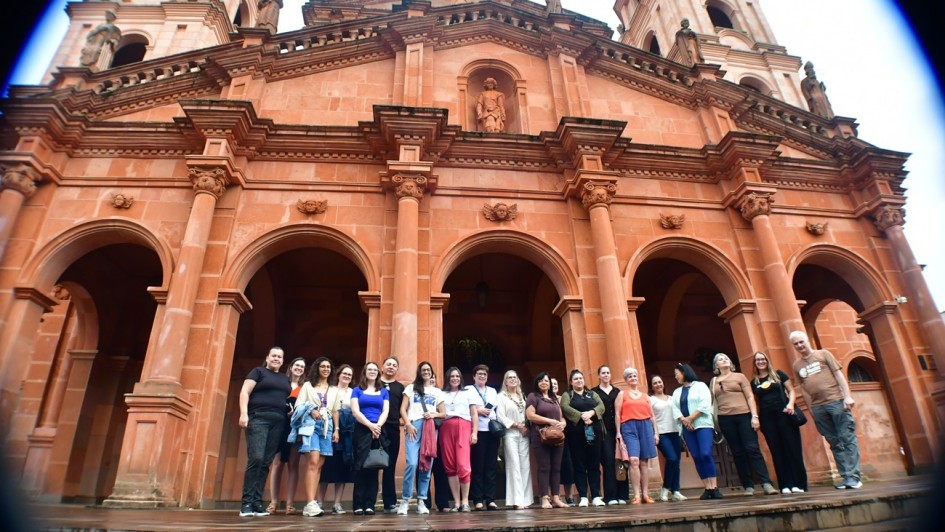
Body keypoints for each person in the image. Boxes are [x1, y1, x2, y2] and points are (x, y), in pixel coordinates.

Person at [789, 330, 862, 489]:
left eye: (802, 341)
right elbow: (804, 389)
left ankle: (854, 477)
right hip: (818, 408)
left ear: (807, 340)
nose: (800, 345)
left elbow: (839, 375)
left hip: (836, 401)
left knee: (847, 438)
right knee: (834, 442)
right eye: (796, 344)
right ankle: (845, 476)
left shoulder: (823, 354)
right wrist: (812, 411)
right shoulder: (797, 365)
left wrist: (847, 396)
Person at [710, 353, 778, 496]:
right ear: (716, 365)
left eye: (726, 358)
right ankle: (748, 485)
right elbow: (713, 401)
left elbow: (749, 396)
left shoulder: (740, 377)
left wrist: (754, 416)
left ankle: (766, 483)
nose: (724, 360)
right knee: (737, 452)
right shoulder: (714, 381)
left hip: (744, 416)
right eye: (721, 359)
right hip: (725, 418)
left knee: (752, 448)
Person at [238, 346, 291, 517]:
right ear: (267, 358)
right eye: (273, 356)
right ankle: (246, 503)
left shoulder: (285, 379)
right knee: (256, 458)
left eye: (280, 357)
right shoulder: (258, 372)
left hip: (279, 421)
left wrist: (287, 408)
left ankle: (256, 503)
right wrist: (244, 414)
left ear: (283, 361)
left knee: (266, 461)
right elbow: (245, 392)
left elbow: (283, 398)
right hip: (258, 417)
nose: (276, 359)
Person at [751, 351, 808, 494]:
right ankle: (785, 484)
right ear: (755, 363)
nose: (760, 362)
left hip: (784, 415)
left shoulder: (778, 374)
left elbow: (792, 390)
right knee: (777, 452)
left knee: (792, 448)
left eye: (763, 359)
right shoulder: (754, 382)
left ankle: (799, 484)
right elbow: (756, 402)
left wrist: (790, 404)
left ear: (767, 360)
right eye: (758, 360)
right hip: (767, 419)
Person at [396, 361, 445, 515]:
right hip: (414, 427)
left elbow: (443, 413)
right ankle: (405, 500)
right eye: (423, 370)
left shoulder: (437, 391)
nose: (426, 372)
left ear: (431, 372)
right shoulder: (411, 388)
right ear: (419, 372)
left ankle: (422, 500)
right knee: (412, 463)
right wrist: (408, 424)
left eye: (428, 370)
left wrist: (433, 414)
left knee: (427, 465)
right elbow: (402, 409)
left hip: (430, 428)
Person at [293, 357, 339, 517]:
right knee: (312, 460)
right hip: (310, 424)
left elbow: (335, 410)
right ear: (317, 368)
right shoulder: (307, 385)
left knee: (319, 464)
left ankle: (310, 504)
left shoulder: (334, 388)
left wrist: (337, 430)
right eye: (322, 366)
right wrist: (311, 409)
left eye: (328, 367)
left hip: (327, 426)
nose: (326, 369)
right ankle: (310, 502)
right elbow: (298, 405)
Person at [671, 363, 721, 500]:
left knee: (705, 453)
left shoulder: (700, 386)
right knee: (697, 457)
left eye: (677, 374)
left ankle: (714, 486)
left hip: (702, 424)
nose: (676, 376)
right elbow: (674, 408)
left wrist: (691, 418)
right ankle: (707, 487)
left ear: (684, 372)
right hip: (687, 428)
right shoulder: (677, 392)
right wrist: (684, 420)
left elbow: (705, 403)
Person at [560, 369, 605, 507]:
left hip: (593, 432)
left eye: (580, 378)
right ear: (571, 382)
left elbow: (601, 407)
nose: (579, 381)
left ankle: (596, 495)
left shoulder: (592, 394)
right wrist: (581, 415)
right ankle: (583, 496)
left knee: (594, 463)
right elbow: (565, 407)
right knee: (579, 464)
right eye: (576, 379)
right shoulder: (568, 395)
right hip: (576, 434)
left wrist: (591, 413)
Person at [267, 357, 306, 514]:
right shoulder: (281, 382)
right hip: (279, 426)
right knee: (276, 464)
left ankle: (290, 503)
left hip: (295, 428)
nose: (299, 368)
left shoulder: (304, 388)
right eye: (296, 365)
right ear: (290, 366)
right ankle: (273, 502)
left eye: (302, 366)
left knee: (293, 464)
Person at [350, 362, 390, 515]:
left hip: (378, 429)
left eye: (375, 370)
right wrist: (370, 426)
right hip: (362, 429)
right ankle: (358, 504)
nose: (372, 372)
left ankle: (370, 504)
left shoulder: (383, 391)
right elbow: (355, 411)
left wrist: (377, 426)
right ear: (365, 372)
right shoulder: (357, 390)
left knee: (374, 467)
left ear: (378, 373)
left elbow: (385, 410)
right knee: (360, 466)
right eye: (369, 369)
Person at [615, 368, 659, 504]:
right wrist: (618, 432)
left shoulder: (645, 396)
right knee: (633, 460)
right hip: (628, 427)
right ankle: (636, 495)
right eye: (630, 376)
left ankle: (646, 494)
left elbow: (652, 416)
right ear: (626, 380)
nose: (633, 378)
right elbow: (617, 414)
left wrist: (656, 432)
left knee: (644, 462)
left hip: (645, 426)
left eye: (634, 375)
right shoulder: (622, 394)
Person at [526, 372, 568, 509]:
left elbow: (561, 417)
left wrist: (563, 423)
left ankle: (556, 497)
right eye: (540, 381)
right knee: (544, 467)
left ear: (550, 383)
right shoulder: (533, 397)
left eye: (546, 380)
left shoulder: (554, 398)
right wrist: (549, 421)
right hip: (540, 436)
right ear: (537, 383)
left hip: (556, 435)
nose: (544, 383)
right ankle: (544, 497)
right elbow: (530, 416)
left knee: (556, 467)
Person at [318, 364, 356, 514]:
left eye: (350, 375)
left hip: (347, 433)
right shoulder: (330, 389)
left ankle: (337, 503)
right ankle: (319, 502)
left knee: (342, 467)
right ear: (338, 375)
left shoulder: (353, 392)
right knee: (326, 466)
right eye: (344, 374)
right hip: (330, 429)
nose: (347, 376)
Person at [440, 366, 477, 511]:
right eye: (452, 376)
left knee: (463, 464)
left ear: (460, 378)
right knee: (450, 465)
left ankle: (465, 501)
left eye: (457, 376)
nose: (454, 378)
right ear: (448, 378)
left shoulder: (467, 393)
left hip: (464, 426)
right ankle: (456, 502)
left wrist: (474, 433)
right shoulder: (441, 394)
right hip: (446, 427)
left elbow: (474, 413)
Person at [496, 369, 533, 510]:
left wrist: (525, 427)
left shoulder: (522, 396)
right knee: (514, 466)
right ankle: (517, 500)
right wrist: (517, 425)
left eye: (514, 377)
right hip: (510, 433)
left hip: (523, 434)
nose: (512, 379)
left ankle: (526, 499)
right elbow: (501, 416)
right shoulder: (501, 397)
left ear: (518, 380)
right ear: (505, 381)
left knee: (525, 466)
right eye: (509, 377)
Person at [465, 364, 501, 510]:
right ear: (474, 376)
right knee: (478, 466)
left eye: (485, 374)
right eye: (479, 374)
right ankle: (478, 499)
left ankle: (490, 499)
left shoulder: (492, 391)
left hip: (492, 431)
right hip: (477, 430)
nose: (482, 376)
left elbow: (496, 409)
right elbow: (464, 409)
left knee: (491, 466)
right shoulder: (468, 389)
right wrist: (478, 411)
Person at [649, 374, 686, 502]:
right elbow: (650, 418)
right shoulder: (651, 400)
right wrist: (655, 434)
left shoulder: (671, 398)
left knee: (677, 462)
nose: (658, 384)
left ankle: (676, 490)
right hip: (662, 433)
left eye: (660, 382)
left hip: (675, 432)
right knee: (671, 458)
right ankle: (665, 489)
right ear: (652, 386)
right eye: (655, 383)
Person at [593, 365, 626, 505]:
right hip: (603, 431)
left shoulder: (617, 391)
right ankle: (610, 496)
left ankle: (622, 495)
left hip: (619, 430)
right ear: (599, 376)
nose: (606, 375)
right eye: (603, 373)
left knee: (621, 461)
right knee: (608, 461)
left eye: (608, 372)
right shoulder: (594, 392)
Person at [379, 356, 405, 513]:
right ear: (382, 367)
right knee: (371, 463)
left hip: (394, 428)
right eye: (388, 364)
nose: (391, 367)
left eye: (394, 365)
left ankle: (389, 502)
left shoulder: (400, 387)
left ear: (397, 369)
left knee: (390, 465)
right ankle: (367, 500)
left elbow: (404, 408)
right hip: (375, 428)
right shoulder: (375, 384)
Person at [551, 377, 576, 505]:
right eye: (552, 383)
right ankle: (555, 496)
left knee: (568, 466)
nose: (554, 385)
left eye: (555, 383)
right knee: (552, 466)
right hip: (550, 436)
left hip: (566, 436)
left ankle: (570, 496)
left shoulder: (564, 398)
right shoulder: (546, 400)